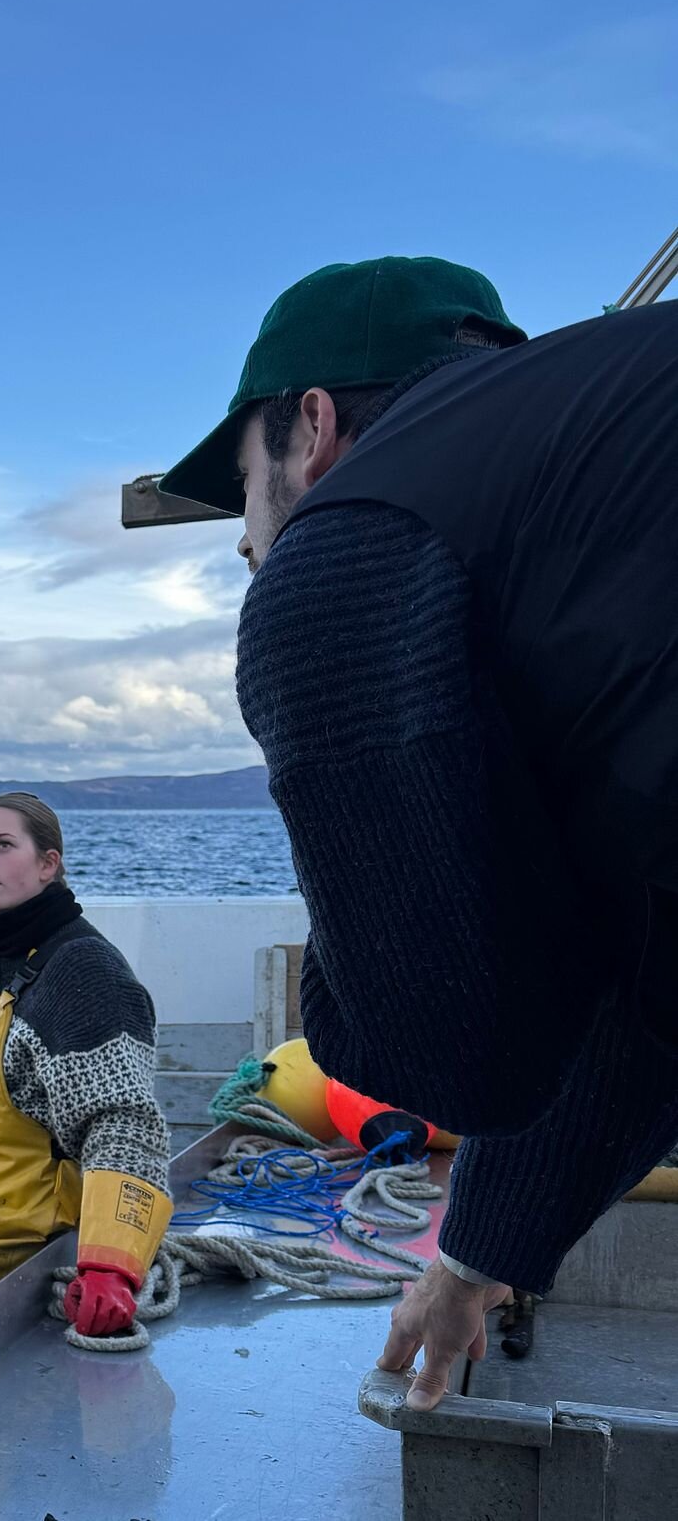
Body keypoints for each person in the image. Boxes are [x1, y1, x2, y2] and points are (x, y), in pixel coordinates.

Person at [160, 257, 678, 1410]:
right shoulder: (599, 490)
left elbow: (453, 1053)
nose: (250, 541)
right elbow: (657, 994)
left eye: (246, 488)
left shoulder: (352, 536)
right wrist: (471, 1257)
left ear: (315, 426)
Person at [0, 792, 172, 1335]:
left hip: (34, 1279)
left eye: (3, 845)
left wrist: (111, 1268)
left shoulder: (80, 971)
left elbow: (124, 1123)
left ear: (48, 863)